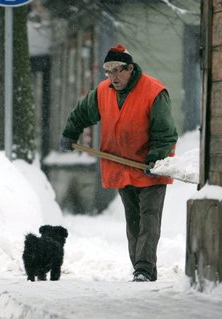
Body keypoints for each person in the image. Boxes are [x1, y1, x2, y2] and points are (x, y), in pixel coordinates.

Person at [59, 44, 178, 282]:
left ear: (130, 68)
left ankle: (143, 268)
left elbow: (165, 132)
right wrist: (70, 133)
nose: (113, 77)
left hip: (151, 167)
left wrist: (155, 159)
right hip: (123, 167)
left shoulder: (154, 92)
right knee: (133, 220)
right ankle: (142, 270)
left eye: (117, 70)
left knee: (149, 218)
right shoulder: (103, 92)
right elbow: (82, 112)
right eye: (108, 71)